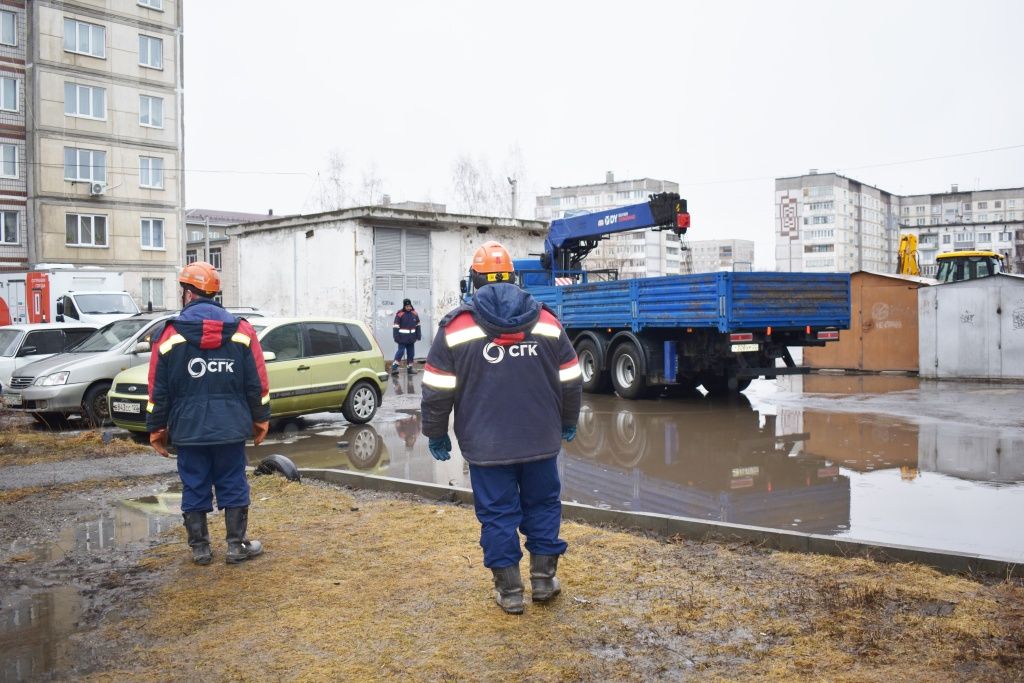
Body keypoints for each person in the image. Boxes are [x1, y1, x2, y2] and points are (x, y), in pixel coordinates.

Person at [420, 241, 583, 614]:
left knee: (497, 514)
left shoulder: (456, 327)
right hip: (540, 440)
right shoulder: (548, 322)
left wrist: (435, 431)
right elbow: (571, 379)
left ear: (474, 280)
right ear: (514, 277)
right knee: (543, 505)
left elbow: (436, 388)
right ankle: (543, 581)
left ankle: (509, 592)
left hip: (487, 446)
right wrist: (568, 420)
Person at [146, 261, 271, 566]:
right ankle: (236, 547)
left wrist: (156, 429)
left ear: (188, 293)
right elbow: (257, 381)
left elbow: (157, 389)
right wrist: (261, 418)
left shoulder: (169, 335)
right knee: (233, 481)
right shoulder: (242, 331)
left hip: (188, 429)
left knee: (194, 484)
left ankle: (200, 550)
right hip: (230, 427)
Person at [391, 298, 421, 375]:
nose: (408, 307)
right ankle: (394, 368)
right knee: (400, 352)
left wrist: (418, 335)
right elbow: (396, 326)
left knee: (411, 354)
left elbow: (418, 325)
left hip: (411, 338)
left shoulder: (415, 314)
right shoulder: (400, 314)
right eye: (407, 306)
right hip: (402, 339)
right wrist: (396, 337)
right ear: (404, 306)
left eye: (409, 306)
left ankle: (410, 368)